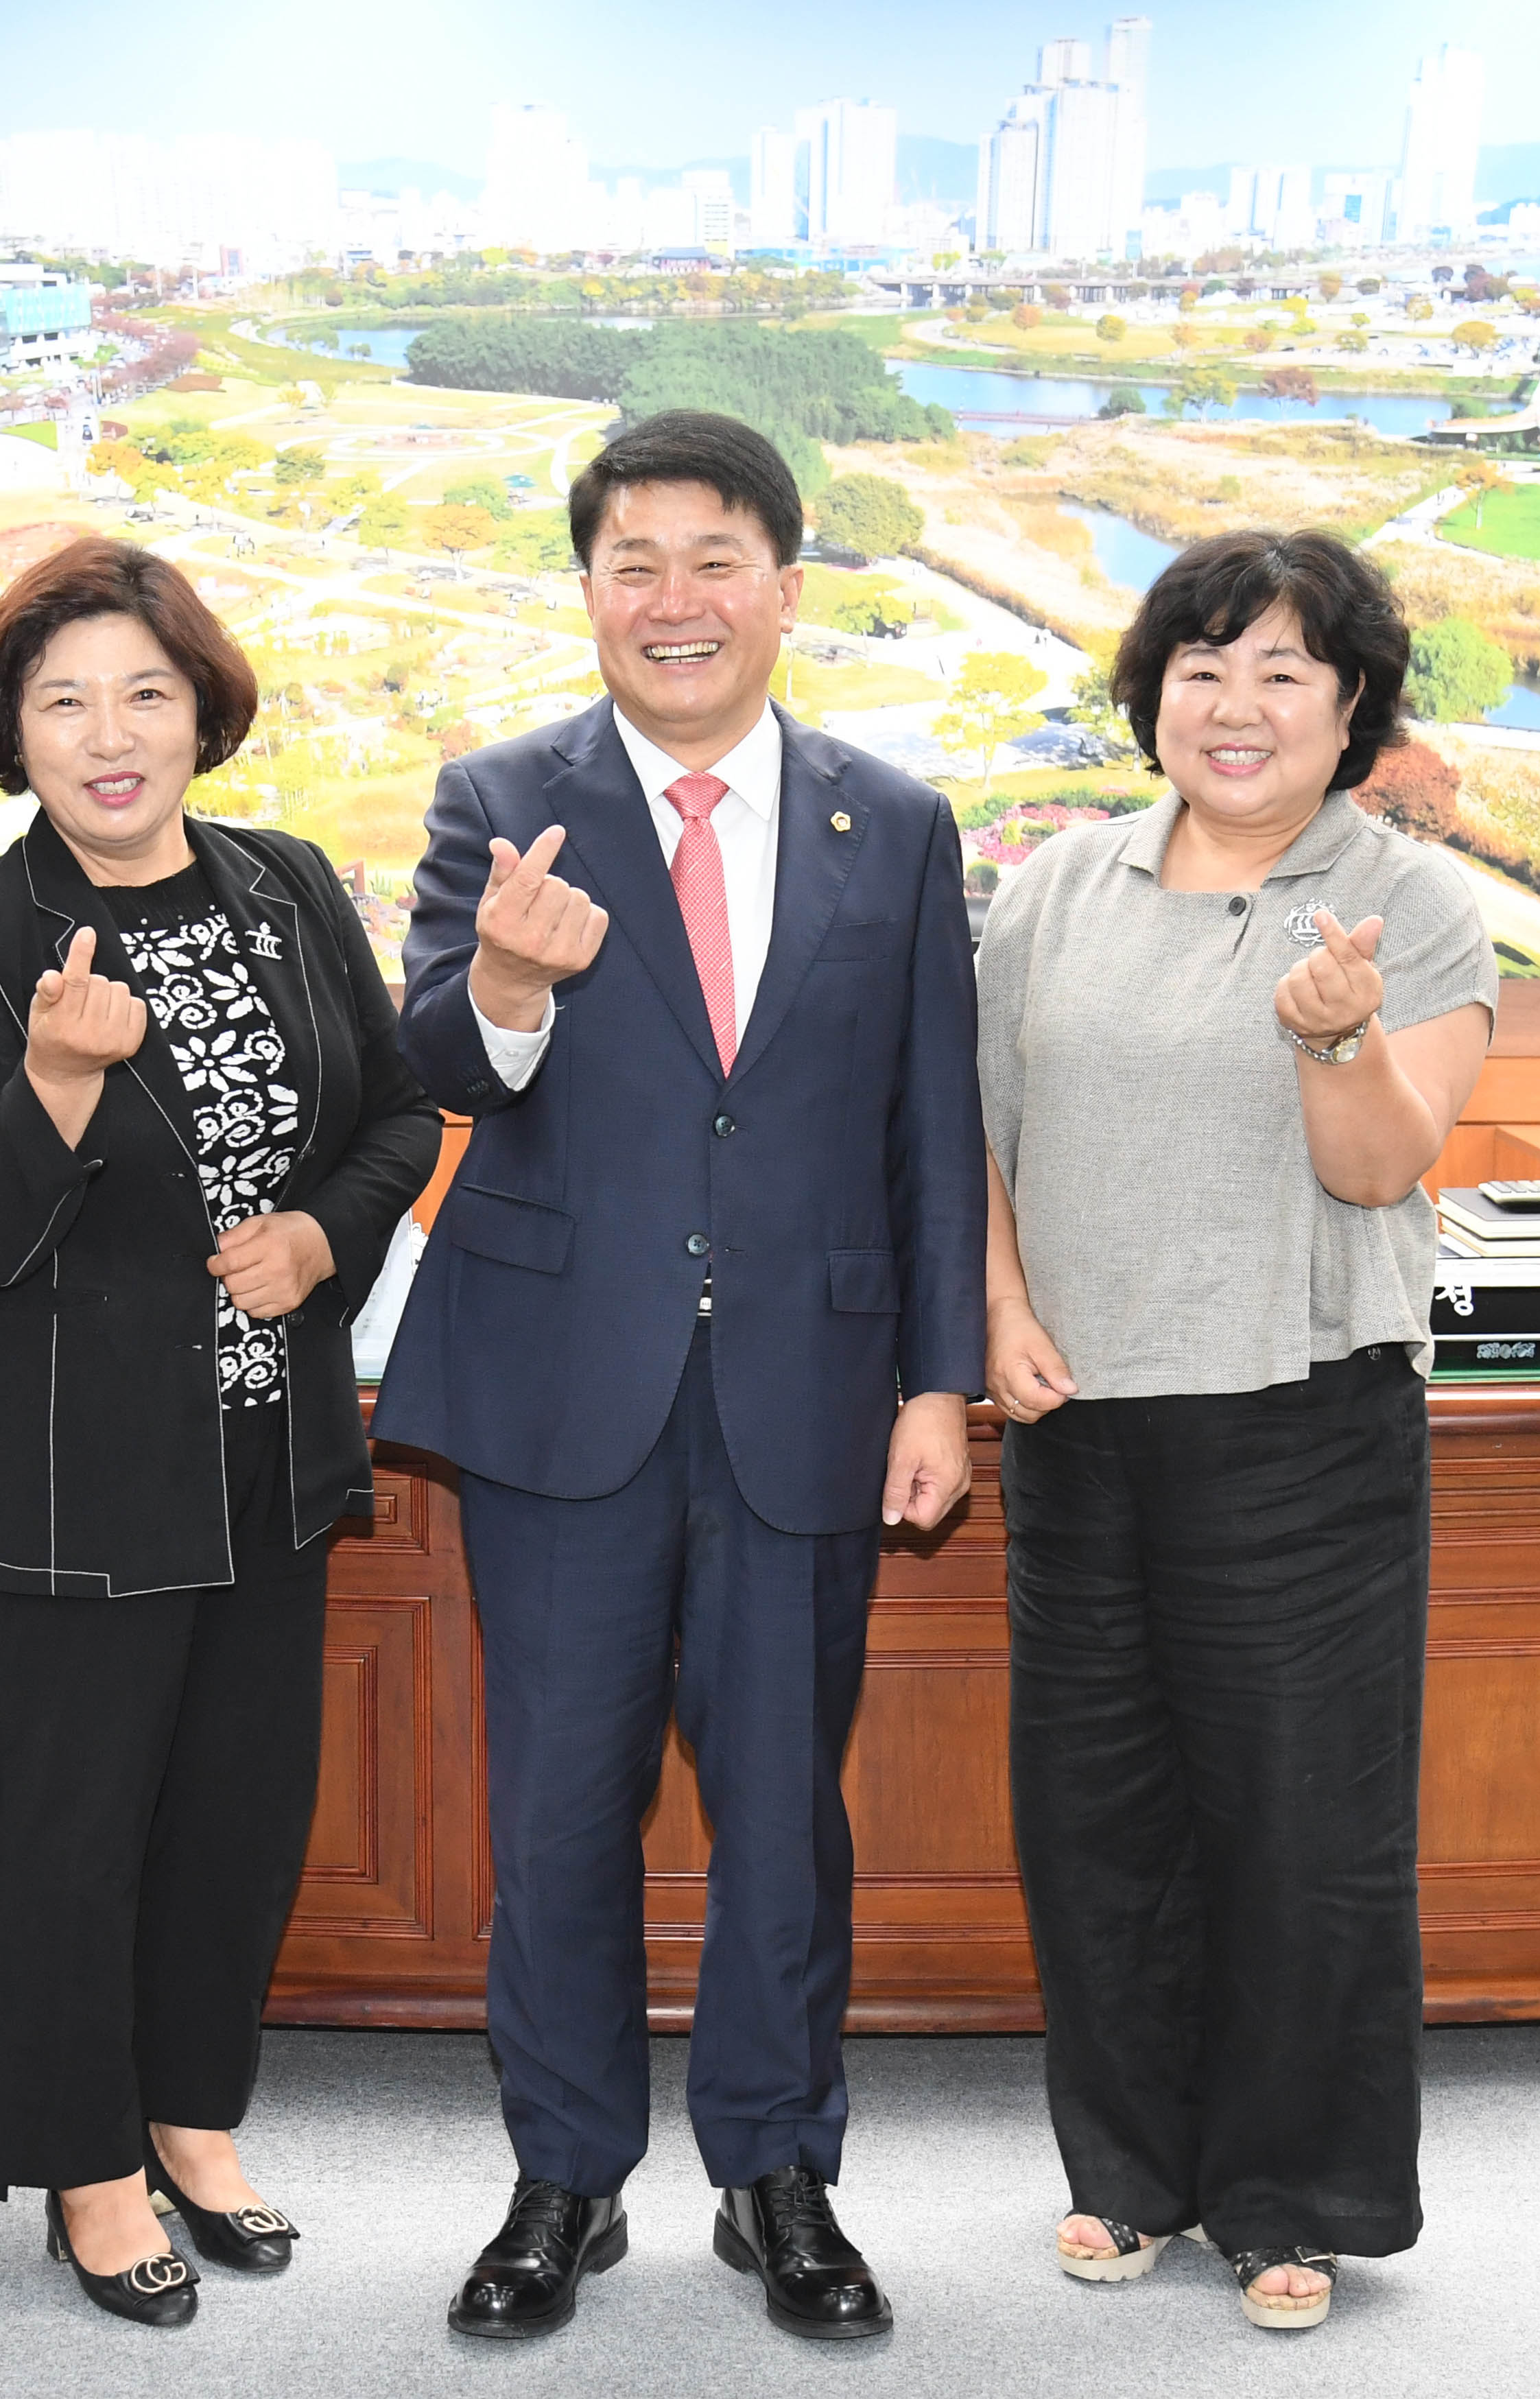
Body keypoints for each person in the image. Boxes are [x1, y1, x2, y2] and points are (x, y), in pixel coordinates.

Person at [380, 410, 988, 2343]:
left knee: (786, 1819)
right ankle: (564, 2176)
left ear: (786, 587)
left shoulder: (891, 821)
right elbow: (438, 1069)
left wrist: (939, 1381)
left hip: (809, 1389)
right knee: (558, 1809)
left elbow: (930, 1124)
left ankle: (776, 2171)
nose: (675, 597)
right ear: (588, 592)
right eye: (632, 560)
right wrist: (511, 986)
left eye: (714, 557)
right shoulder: (502, 795)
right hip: (566, 1392)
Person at [0, 537, 440, 2328]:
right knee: (75, 1834)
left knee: (236, 1814)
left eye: (145, 692)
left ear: (201, 706)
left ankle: (196, 2120)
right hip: (68, 1479)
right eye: (65, 702)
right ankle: (88, 2164)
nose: (110, 736)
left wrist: (319, 1237)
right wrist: (56, 1080)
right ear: (12, 733)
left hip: (268, 1456)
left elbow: (388, 1115)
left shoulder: (282, 888)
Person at [975, 528, 1496, 2333]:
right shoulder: (1058, 886)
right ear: (1153, 695)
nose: (1239, 702)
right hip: (1080, 1428)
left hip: (1300, 1426)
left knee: (1303, 1829)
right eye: (1205, 663)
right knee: (1097, 1821)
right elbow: (979, 1135)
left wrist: (1341, 1039)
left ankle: (1293, 2192)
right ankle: (1128, 2171)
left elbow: (1379, 1161)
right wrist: (1002, 1311)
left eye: (1288, 669)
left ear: (1353, 707)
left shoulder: (1405, 903)